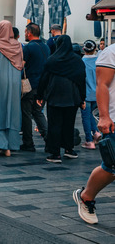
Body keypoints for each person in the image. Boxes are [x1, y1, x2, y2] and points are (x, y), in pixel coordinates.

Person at [73, 42, 115, 225]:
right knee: (111, 167)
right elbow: (102, 84)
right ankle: (86, 196)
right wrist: (104, 117)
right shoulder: (110, 52)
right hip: (114, 119)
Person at [39, 35, 86, 163]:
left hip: (55, 96)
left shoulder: (52, 60)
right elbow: (81, 80)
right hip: (72, 97)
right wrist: (82, 98)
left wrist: (40, 95)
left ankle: (55, 153)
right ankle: (69, 149)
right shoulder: (77, 61)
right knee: (69, 125)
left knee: (54, 125)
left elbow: (44, 79)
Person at [0, 20, 24, 156]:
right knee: (13, 112)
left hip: (0, 84)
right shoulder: (18, 46)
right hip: (15, 83)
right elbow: (20, 66)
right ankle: (12, 144)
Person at [20, 22, 50, 152]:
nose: (25, 34)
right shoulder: (46, 47)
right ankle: (49, 140)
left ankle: (28, 143)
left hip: (30, 85)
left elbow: (21, 66)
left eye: (26, 32)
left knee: (26, 114)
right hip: (43, 86)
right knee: (38, 112)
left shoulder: (28, 48)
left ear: (29, 33)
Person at [81, 40, 100, 150]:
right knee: (90, 115)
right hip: (97, 93)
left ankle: (89, 140)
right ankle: (96, 132)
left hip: (86, 94)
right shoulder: (99, 61)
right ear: (95, 49)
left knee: (85, 117)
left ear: (84, 49)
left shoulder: (81, 62)